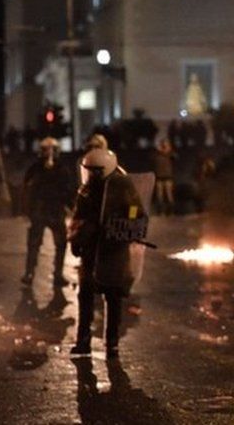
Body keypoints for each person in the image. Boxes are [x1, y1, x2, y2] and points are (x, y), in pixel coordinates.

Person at [69, 149, 147, 359]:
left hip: (114, 248)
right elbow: (78, 216)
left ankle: (111, 344)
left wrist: (124, 224)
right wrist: (75, 239)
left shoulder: (122, 186)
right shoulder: (86, 190)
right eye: (89, 171)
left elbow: (135, 210)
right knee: (85, 295)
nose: (91, 175)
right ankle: (83, 341)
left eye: (95, 171)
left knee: (112, 297)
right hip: (91, 249)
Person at [21, 137, 76, 288]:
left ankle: (58, 274)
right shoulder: (36, 168)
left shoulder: (62, 169)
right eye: (46, 150)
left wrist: (72, 206)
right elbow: (28, 189)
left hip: (56, 210)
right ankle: (29, 272)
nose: (49, 153)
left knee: (61, 243)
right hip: (40, 209)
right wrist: (28, 208)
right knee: (34, 243)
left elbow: (67, 190)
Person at [151, 139, 176, 215]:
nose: (163, 146)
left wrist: (168, 150)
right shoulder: (156, 154)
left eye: (165, 145)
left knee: (169, 196)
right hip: (159, 177)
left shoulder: (170, 154)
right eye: (162, 145)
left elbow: (175, 157)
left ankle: (171, 212)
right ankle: (160, 212)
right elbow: (151, 158)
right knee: (159, 196)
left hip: (168, 177)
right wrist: (158, 150)